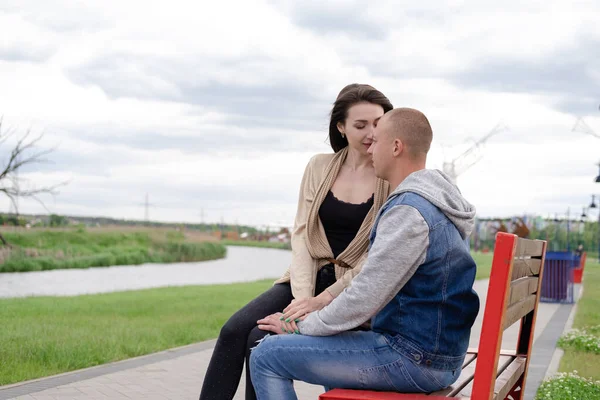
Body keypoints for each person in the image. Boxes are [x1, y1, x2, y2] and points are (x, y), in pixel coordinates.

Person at [250, 107, 480, 399]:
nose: (370, 147)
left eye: (378, 139)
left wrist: (301, 327)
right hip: (435, 352)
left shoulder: (409, 212)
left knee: (267, 355)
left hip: (413, 359)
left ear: (396, 147)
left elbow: (364, 297)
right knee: (334, 344)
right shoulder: (438, 201)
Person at [198, 84, 393, 400]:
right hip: (305, 280)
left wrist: (319, 303)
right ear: (341, 127)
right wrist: (301, 302)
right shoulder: (319, 166)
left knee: (258, 338)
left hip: (350, 292)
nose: (371, 133)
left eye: (378, 123)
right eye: (360, 125)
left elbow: (377, 258)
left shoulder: (389, 176)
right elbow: (302, 236)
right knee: (233, 331)